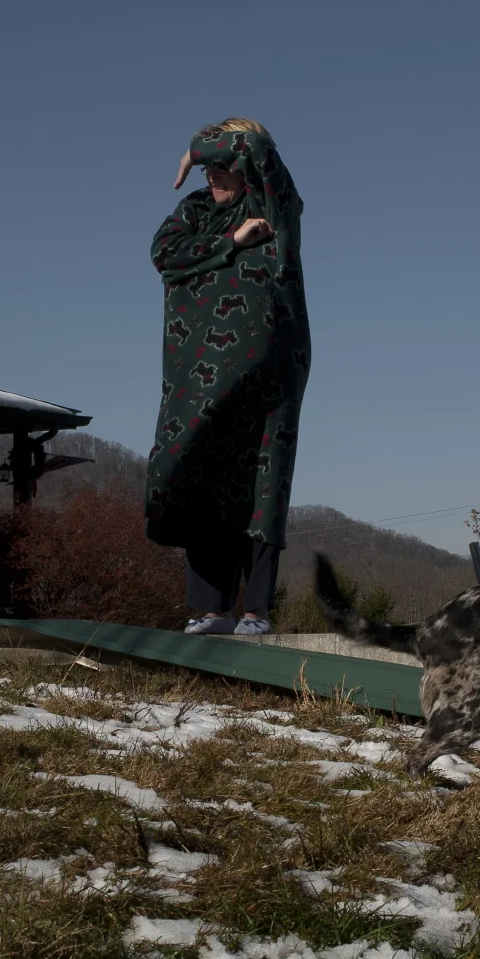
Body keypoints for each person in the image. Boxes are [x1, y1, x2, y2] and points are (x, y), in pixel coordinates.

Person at [145, 118, 311, 635]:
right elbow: (163, 255)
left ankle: (256, 611)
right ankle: (210, 610)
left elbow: (258, 146)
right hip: (195, 375)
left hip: (269, 372)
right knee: (197, 471)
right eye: (206, 167)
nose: (212, 174)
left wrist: (194, 149)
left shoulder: (274, 206)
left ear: (244, 166)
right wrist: (232, 242)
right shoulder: (193, 211)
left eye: (221, 164)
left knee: (262, 481)